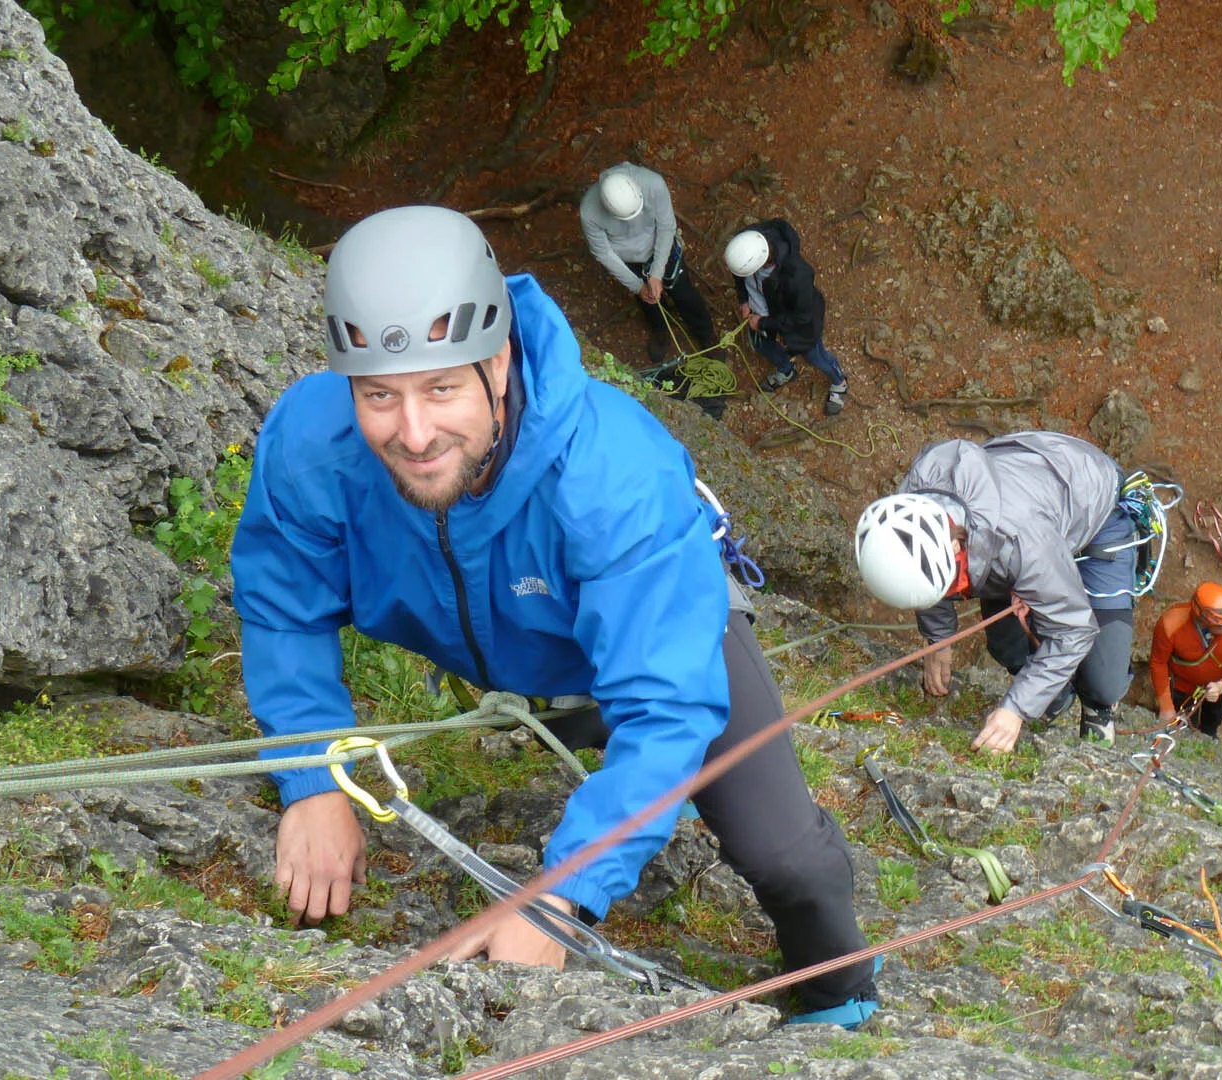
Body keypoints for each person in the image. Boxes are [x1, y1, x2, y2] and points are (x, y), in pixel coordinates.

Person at [231, 205, 877, 1026]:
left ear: (498, 362)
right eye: (379, 396)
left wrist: (559, 895)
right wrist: (314, 777)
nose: (415, 432)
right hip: (531, 663)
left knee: (790, 862)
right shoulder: (312, 449)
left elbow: (667, 707)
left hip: (661, 638)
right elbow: (282, 607)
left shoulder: (612, 477)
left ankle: (840, 990)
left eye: (441, 387)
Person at [854, 432, 1137, 750]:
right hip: (1027, 505)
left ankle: (1098, 706)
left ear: (956, 547)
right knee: (1005, 643)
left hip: (1095, 505)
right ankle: (1053, 696)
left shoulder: (1020, 542)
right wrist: (939, 640)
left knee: (1103, 681)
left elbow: (1073, 630)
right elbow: (917, 568)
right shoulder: (906, 513)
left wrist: (1015, 710)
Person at [579, 162, 715, 361]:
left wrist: (657, 272)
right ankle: (660, 329)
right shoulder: (589, 212)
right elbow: (603, 253)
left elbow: (667, 226)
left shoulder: (653, 184)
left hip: (660, 246)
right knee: (648, 300)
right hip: (628, 259)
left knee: (684, 292)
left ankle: (706, 334)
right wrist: (637, 286)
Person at [725, 220, 849, 416]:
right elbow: (739, 275)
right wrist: (744, 300)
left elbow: (801, 317)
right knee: (761, 345)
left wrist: (763, 323)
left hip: (797, 323)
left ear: (763, 263)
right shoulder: (745, 244)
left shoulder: (797, 276)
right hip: (761, 313)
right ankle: (786, 370)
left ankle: (839, 382)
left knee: (814, 355)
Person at [1149, 582, 1222, 738]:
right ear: (1206, 624)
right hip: (1182, 686)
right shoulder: (1170, 624)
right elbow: (1158, 663)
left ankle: (1209, 735)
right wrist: (1166, 707)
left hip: (1219, 687)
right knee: (1181, 722)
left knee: (1215, 716)